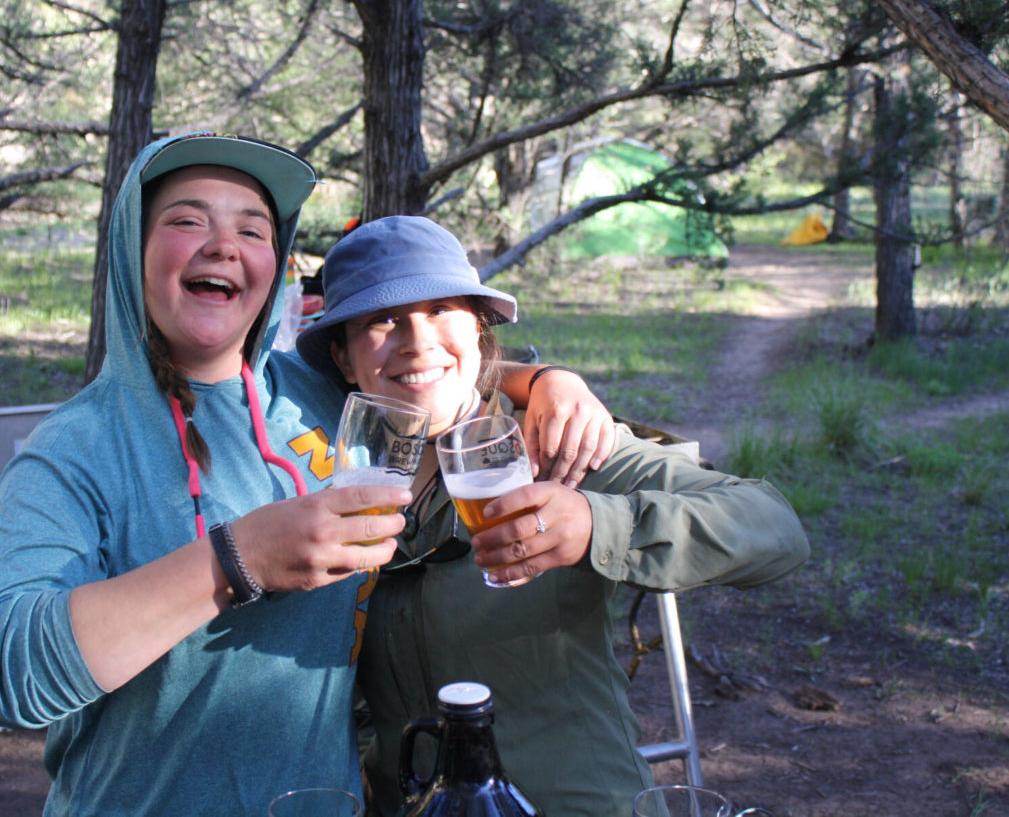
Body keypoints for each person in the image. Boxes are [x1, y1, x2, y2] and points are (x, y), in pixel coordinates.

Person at [0, 133, 613, 817]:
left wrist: (543, 381)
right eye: (187, 221)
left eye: (253, 228)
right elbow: (3, 674)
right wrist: (237, 561)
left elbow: (424, 368)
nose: (223, 245)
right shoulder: (73, 450)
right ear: (132, 251)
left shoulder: (324, 398)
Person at [295, 215, 811, 817]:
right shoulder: (321, 466)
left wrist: (598, 525)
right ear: (343, 357)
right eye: (381, 320)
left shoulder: (554, 442)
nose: (417, 340)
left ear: (481, 329)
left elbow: (774, 527)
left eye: (441, 309)